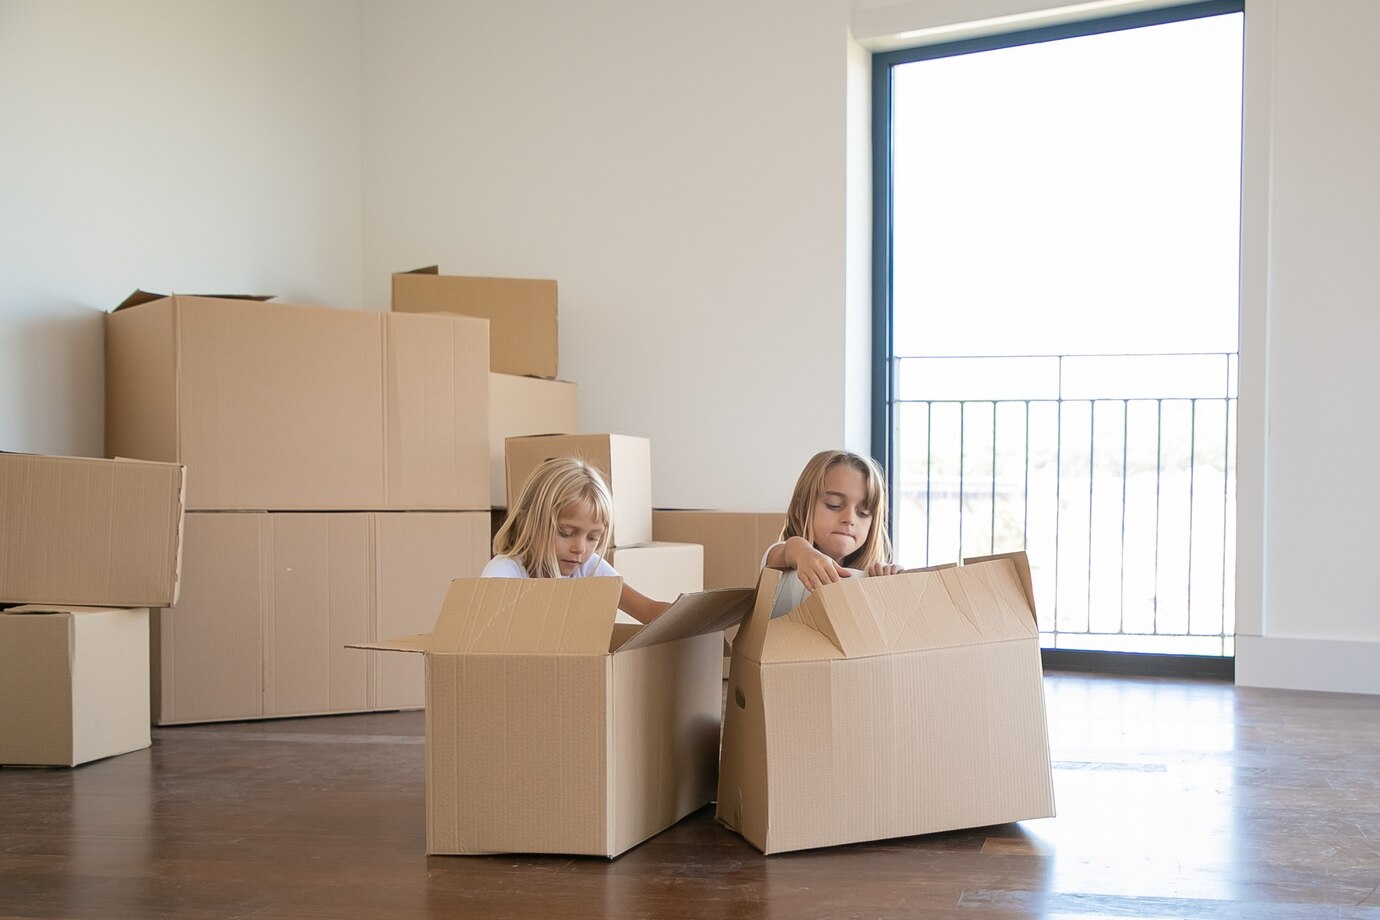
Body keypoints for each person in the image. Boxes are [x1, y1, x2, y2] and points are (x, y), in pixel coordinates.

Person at [482, 456, 670, 623]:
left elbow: (647, 610)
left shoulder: (588, 568)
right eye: (565, 532)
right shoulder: (504, 571)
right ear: (526, 523)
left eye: (593, 537)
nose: (580, 548)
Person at [761, 450, 902, 616]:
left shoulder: (868, 576)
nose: (849, 519)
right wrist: (803, 553)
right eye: (834, 505)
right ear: (800, 509)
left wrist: (891, 579)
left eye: (863, 512)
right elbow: (788, 550)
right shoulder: (783, 556)